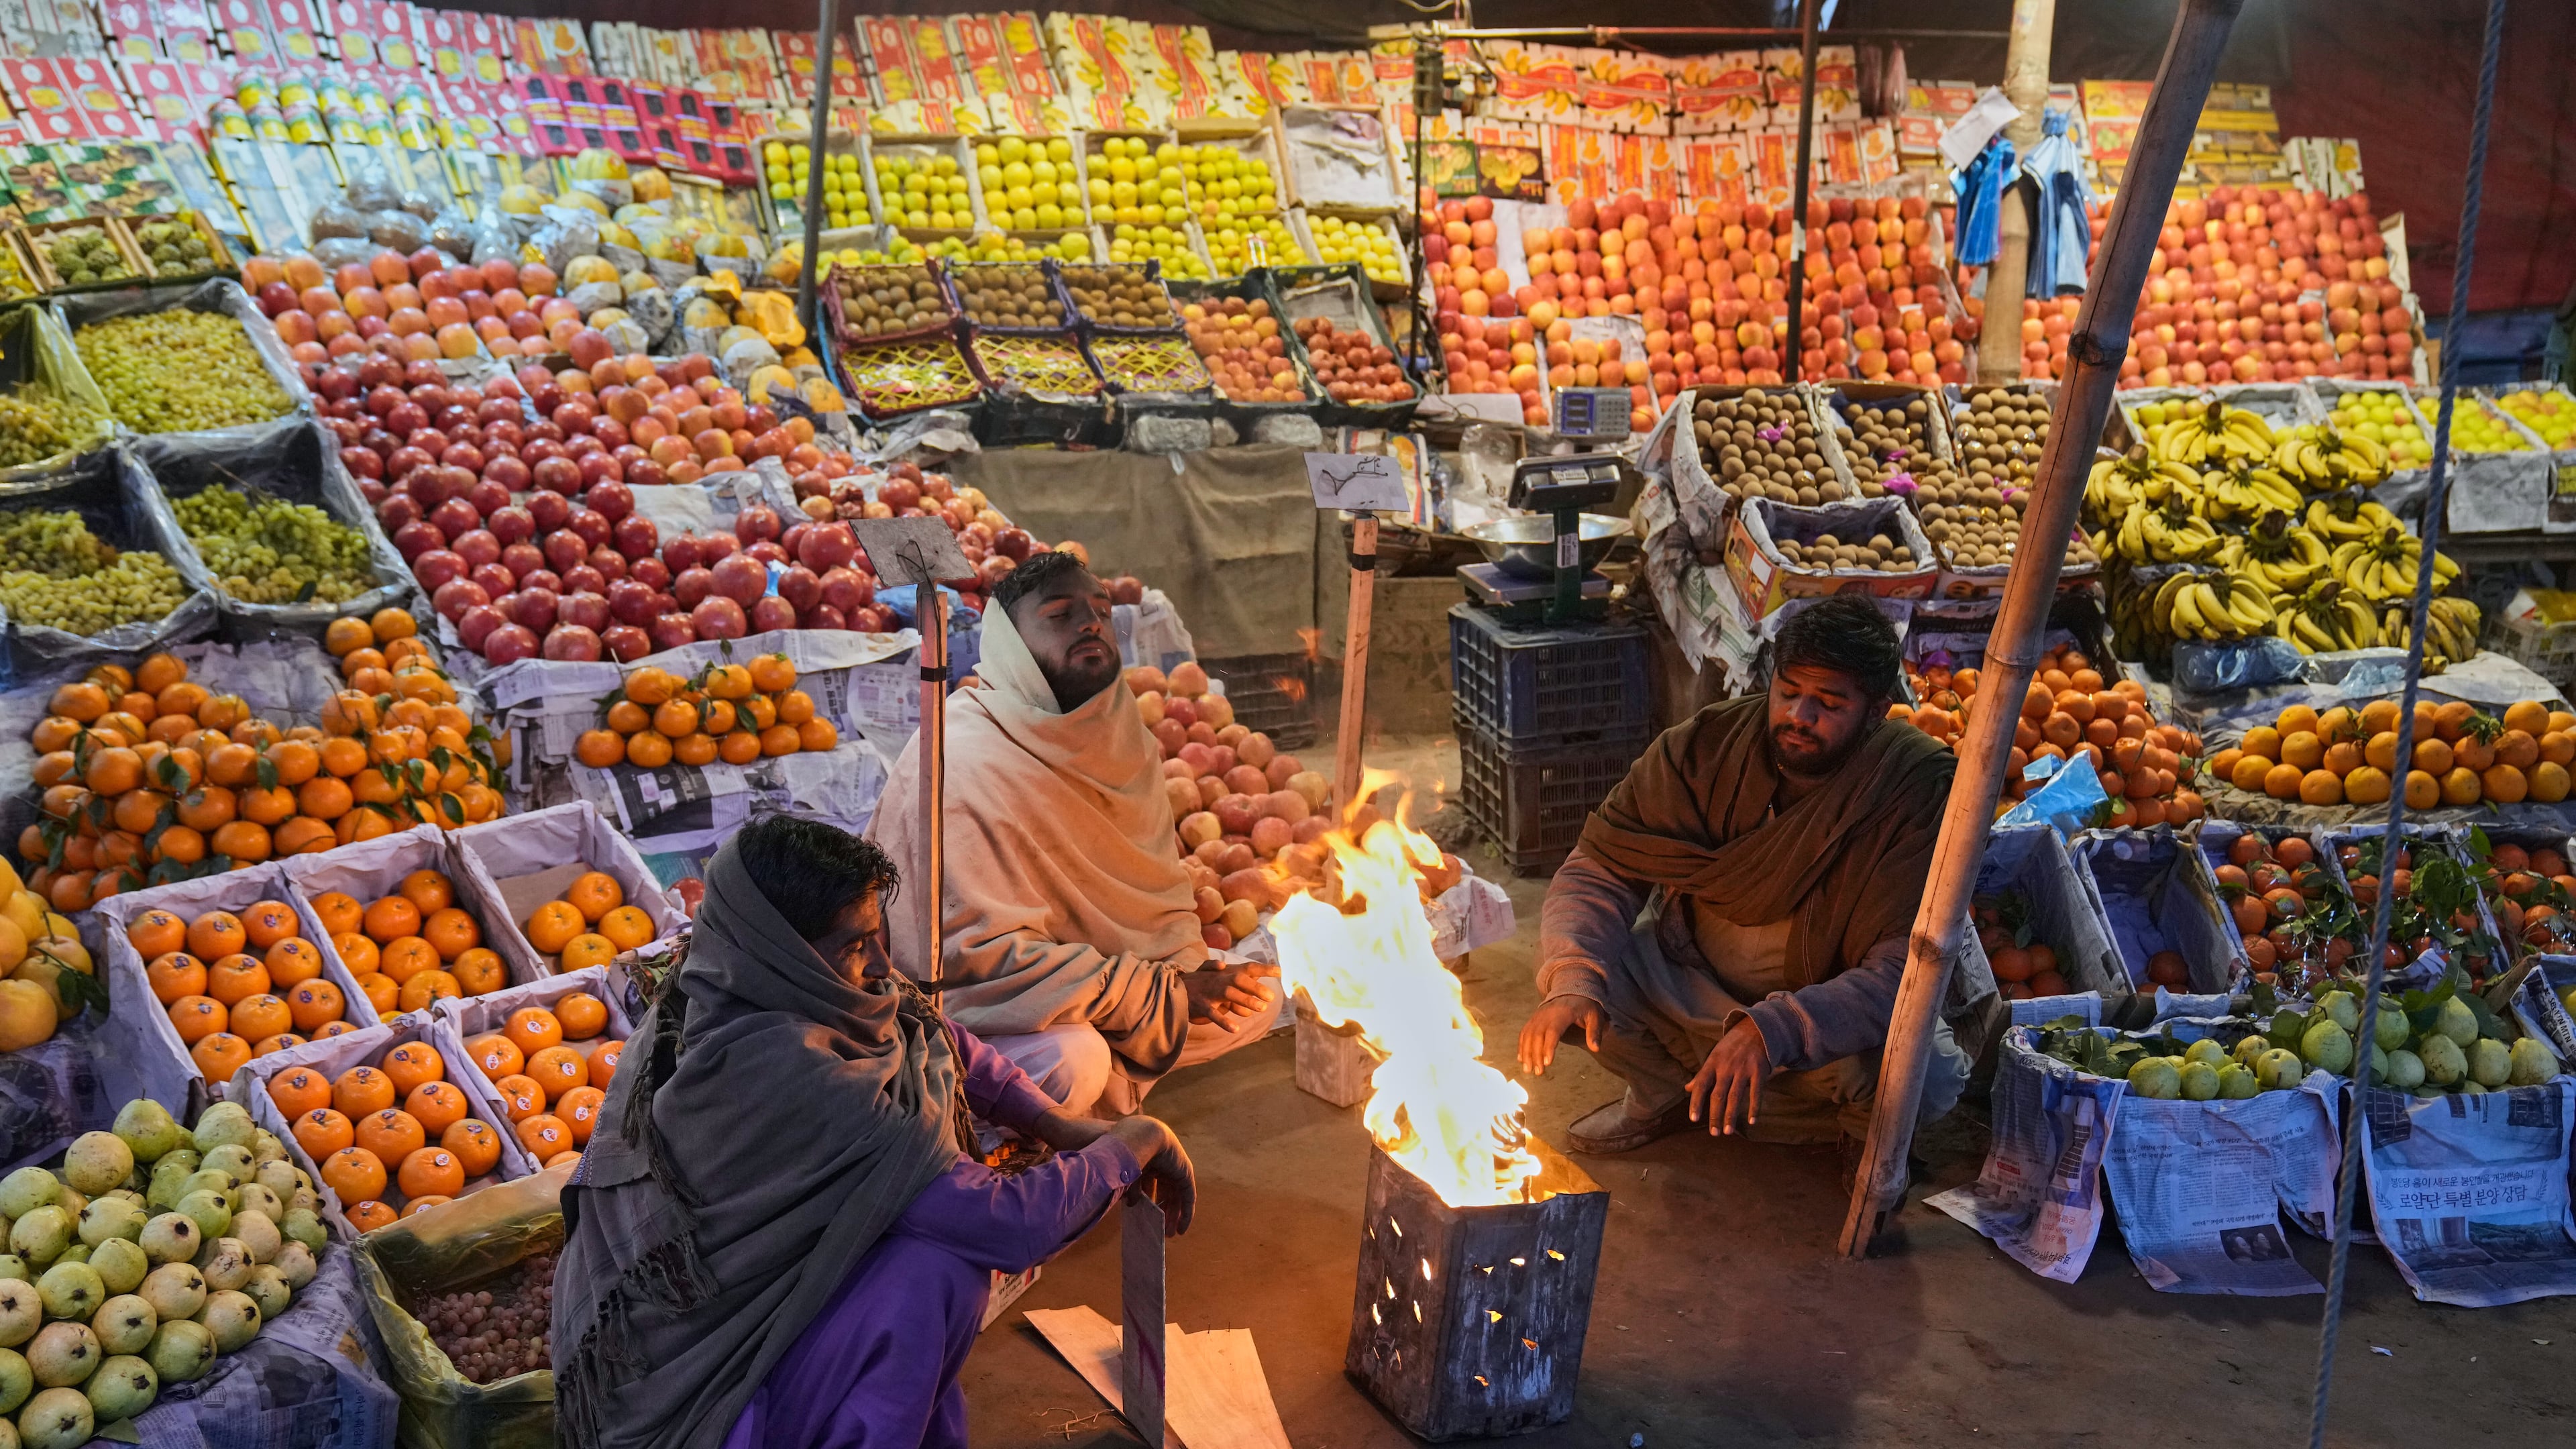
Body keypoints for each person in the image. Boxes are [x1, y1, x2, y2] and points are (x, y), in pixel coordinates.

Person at [553, 814, 1197, 1449]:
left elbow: (935, 1036)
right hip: (700, 1394)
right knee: (934, 1273)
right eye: (854, 945)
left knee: (913, 1249)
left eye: (875, 934)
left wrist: (1052, 1121)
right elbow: (1009, 1223)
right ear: (785, 950)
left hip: (739, 1318)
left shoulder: (731, 978)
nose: (882, 963)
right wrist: (1133, 1143)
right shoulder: (787, 1069)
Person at [1517, 594, 1979, 1158]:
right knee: (1578, 974)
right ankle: (1663, 1094)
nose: (1799, 717)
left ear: (1877, 710)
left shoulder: (1918, 788)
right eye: (1788, 693)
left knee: (1922, 1078)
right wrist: (1573, 977)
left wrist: (1773, 1028)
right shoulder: (1702, 747)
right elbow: (1601, 867)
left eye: (1829, 704)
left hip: (1821, 1008)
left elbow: (1903, 969)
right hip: (1693, 979)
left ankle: (1857, 1146)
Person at [869, 549, 1280, 1117]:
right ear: (1012, 644)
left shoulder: (1120, 733)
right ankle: (995, 1132)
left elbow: (1153, 901)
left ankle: (1077, 1104)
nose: (1090, 623)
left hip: (1099, 988)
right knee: (1072, 1060)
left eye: (1101, 611)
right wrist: (1157, 996)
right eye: (1061, 616)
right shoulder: (959, 757)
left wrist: (1181, 975)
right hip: (980, 1011)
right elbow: (974, 965)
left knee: (1257, 998)